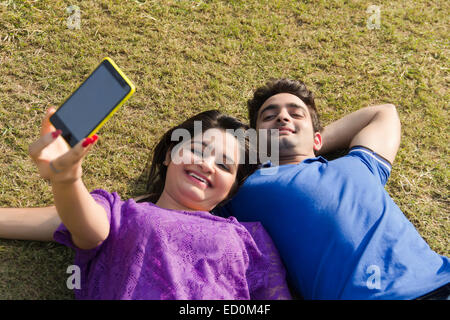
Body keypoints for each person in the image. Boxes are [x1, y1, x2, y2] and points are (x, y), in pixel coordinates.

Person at [0, 107, 291, 300]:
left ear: (230, 191)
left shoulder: (249, 237)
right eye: (198, 150)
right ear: (168, 156)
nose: (207, 164)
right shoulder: (122, 212)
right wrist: (68, 180)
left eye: (224, 166)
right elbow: (87, 227)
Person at [213, 78, 449, 300]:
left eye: (295, 114)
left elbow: (384, 113)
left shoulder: (359, 164)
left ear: (318, 139)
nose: (283, 117)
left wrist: (311, 142)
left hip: (440, 281)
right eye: (269, 116)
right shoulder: (242, 188)